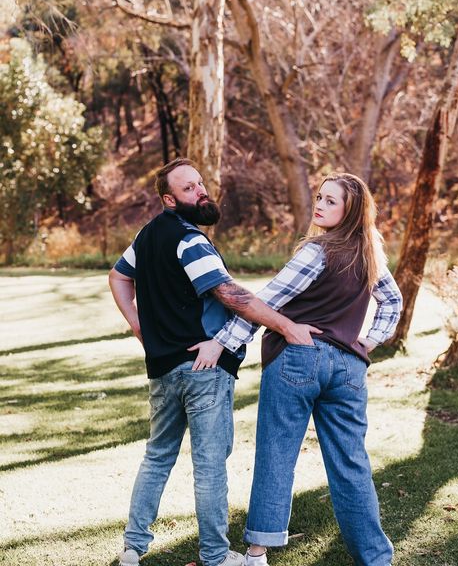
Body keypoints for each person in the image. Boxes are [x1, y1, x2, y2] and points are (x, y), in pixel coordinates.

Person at [108, 158, 319, 566]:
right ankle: (217, 557)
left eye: (200, 183)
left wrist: (139, 327)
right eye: (189, 189)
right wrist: (287, 326)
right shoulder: (190, 240)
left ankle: (133, 550)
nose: (200, 191)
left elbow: (118, 277)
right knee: (208, 466)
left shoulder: (146, 236)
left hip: (162, 369)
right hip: (204, 369)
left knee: (157, 455)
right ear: (170, 199)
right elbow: (229, 294)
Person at [192, 173, 403, 566]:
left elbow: (267, 300)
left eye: (331, 201)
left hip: (298, 359)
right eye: (319, 197)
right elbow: (392, 302)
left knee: (277, 455)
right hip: (348, 369)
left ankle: (257, 554)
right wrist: (368, 342)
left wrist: (223, 341)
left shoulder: (317, 250)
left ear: (350, 209)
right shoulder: (369, 253)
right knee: (351, 463)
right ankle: (376, 559)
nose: (319, 205)